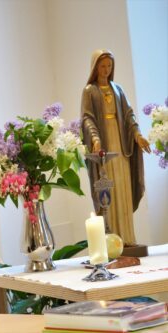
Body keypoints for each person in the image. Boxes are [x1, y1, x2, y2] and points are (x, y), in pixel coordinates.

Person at [81, 49, 150, 246]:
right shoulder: (90, 91)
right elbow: (87, 118)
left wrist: (137, 135)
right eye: (102, 66)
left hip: (122, 145)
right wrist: (94, 138)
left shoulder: (118, 89)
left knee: (123, 188)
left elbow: (129, 115)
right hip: (104, 147)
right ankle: (113, 242)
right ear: (95, 68)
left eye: (109, 66)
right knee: (108, 188)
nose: (106, 69)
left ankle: (127, 238)